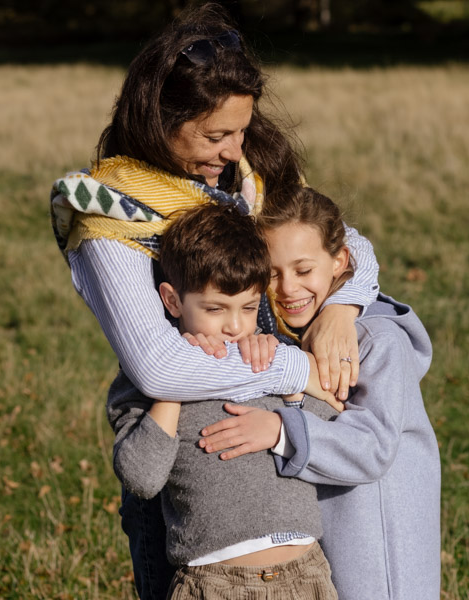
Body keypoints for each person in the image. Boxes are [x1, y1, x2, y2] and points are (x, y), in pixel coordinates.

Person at [48, 4, 380, 599]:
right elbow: (158, 366)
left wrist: (340, 309)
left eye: (241, 131)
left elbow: (349, 247)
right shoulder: (111, 211)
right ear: (160, 118)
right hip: (190, 489)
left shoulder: (242, 181)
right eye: (214, 134)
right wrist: (295, 367)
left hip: (283, 476)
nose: (232, 150)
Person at [198, 186, 441, 599]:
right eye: (272, 274)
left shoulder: (380, 341)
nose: (289, 288)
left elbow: (373, 447)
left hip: (381, 547)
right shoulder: (289, 336)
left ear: (339, 262)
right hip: (329, 541)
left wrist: (280, 431)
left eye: (303, 270)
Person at [109, 203, 340, 599]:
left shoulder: (272, 355)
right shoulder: (146, 379)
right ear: (172, 300)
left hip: (306, 574)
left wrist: (287, 387)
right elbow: (142, 479)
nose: (235, 326)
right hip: (213, 584)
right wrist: (174, 381)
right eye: (215, 309)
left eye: (249, 309)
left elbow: (333, 417)